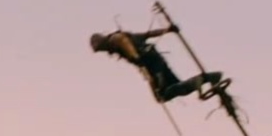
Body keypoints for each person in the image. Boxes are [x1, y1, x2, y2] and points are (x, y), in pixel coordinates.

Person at [89, 26, 226, 103]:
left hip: (151, 64)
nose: (102, 51)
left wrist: (139, 63)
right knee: (177, 88)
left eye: (100, 48)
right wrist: (168, 29)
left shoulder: (115, 40)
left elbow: (131, 51)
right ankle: (206, 78)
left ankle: (200, 80)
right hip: (156, 59)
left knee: (162, 95)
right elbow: (147, 34)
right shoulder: (125, 36)